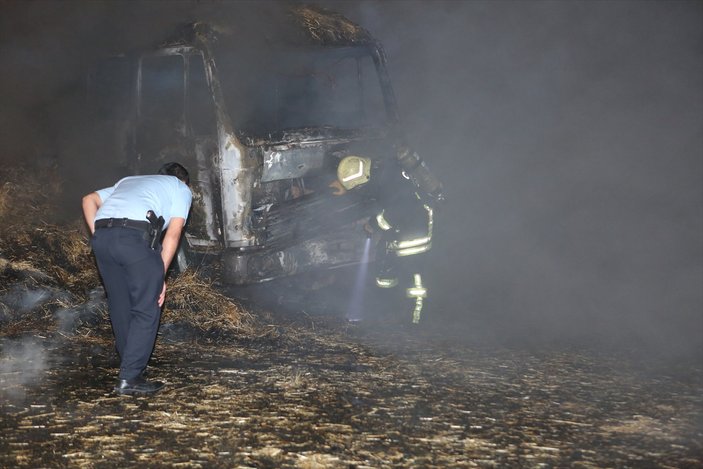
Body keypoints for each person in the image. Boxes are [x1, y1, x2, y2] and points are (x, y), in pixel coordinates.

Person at [82, 162, 192, 395]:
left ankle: (128, 365)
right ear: (183, 181)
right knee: (147, 306)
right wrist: (159, 275)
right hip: (133, 238)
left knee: (120, 303)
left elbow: (88, 199)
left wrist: (100, 235)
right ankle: (130, 378)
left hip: (103, 237)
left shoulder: (129, 181)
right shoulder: (181, 188)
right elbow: (173, 234)